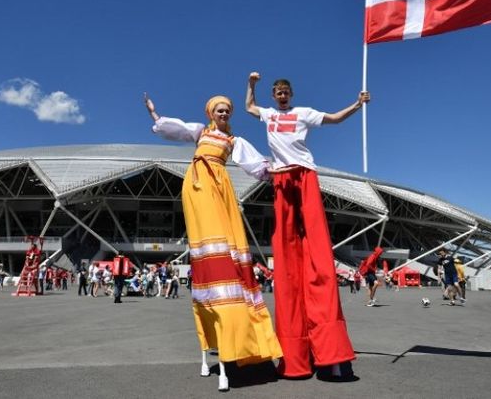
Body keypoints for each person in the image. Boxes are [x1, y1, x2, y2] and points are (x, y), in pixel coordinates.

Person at [146, 92, 282, 391]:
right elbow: (176, 128)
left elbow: (256, 164)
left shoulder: (233, 141)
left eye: (226, 111)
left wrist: (278, 170)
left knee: (224, 237)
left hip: (219, 182)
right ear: (211, 113)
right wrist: (156, 117)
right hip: (197, 182)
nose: (223, 114)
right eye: (219, 110)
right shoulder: (201, 131)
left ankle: (232, 312)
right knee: (205, 236)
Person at [245, 72, 367, 379]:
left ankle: (330, 351)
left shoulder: (303, 113)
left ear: (291, 94)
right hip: (281, 177)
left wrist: (357, 104)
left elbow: (336, 119)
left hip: (304, 173)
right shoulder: (269, 113)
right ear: (274, 96)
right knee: (285, 246)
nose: (282, 95)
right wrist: (252, 84)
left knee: (316, 243)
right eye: (278, 92)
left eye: (286, 91)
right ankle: (295, 355)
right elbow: (248, 107)